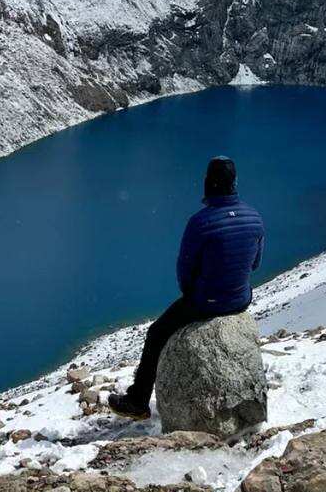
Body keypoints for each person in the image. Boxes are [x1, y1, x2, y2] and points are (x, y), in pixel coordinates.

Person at [108, 156, 265, 420]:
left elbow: (185, 271)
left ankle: (138, 400)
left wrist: (195, 296)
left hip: (207, 302)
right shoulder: (254, 217)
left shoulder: (201, 222)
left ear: (208, 184)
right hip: (241, 299)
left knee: (156, 333)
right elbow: (255, 264)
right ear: (234, 183)